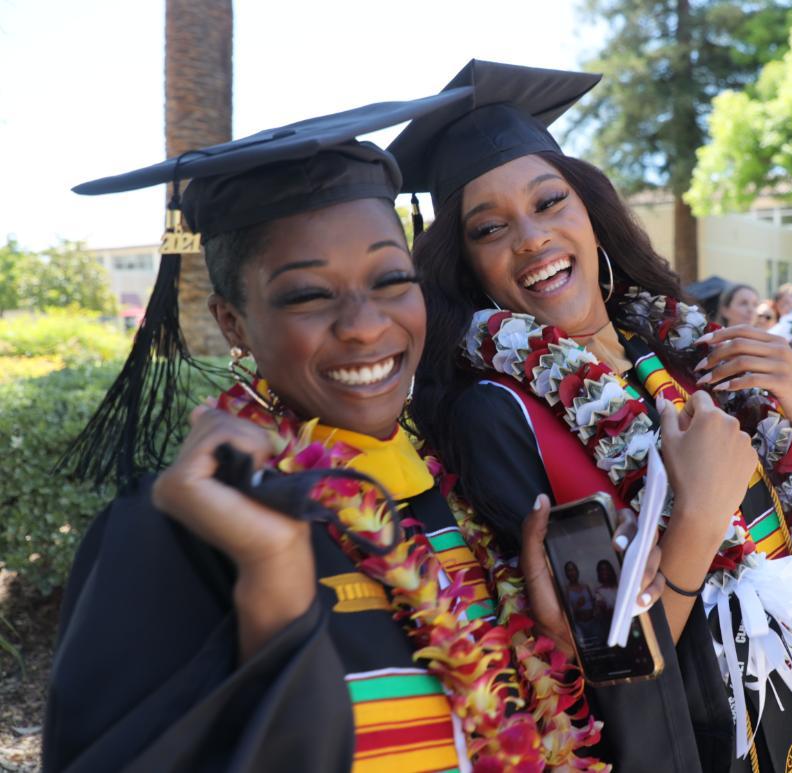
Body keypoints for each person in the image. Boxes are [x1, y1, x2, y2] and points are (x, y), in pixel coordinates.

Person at [43, 96, 664, 772]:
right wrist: (274, 582)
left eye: (392, 278)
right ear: (233, 323)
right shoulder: (178, 530)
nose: (366, 324)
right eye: (309, 294)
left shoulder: (449, 499)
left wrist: (551, 641)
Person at [394, 59, 792, 773]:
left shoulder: (678, 350)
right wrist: (697, 519)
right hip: (699, 738)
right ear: (467, 264)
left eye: (549, 202)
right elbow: (602, 663)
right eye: (489, 228)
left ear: (590, 212)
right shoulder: (500, 414)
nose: (531, 237)